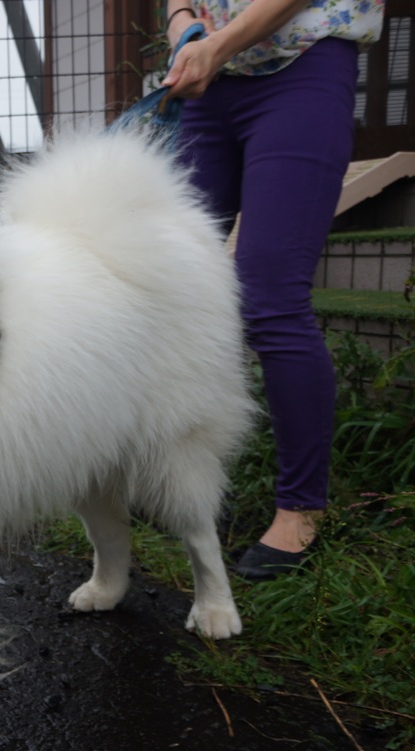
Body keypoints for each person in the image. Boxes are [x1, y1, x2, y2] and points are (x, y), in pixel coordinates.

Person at [161, 0, 385, 580]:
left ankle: (300, 508)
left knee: (269, 295)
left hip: (303, 68)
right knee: (175, 293)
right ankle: (177, 475)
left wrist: (217, 43)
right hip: (209, 87)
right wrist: (183, 25)